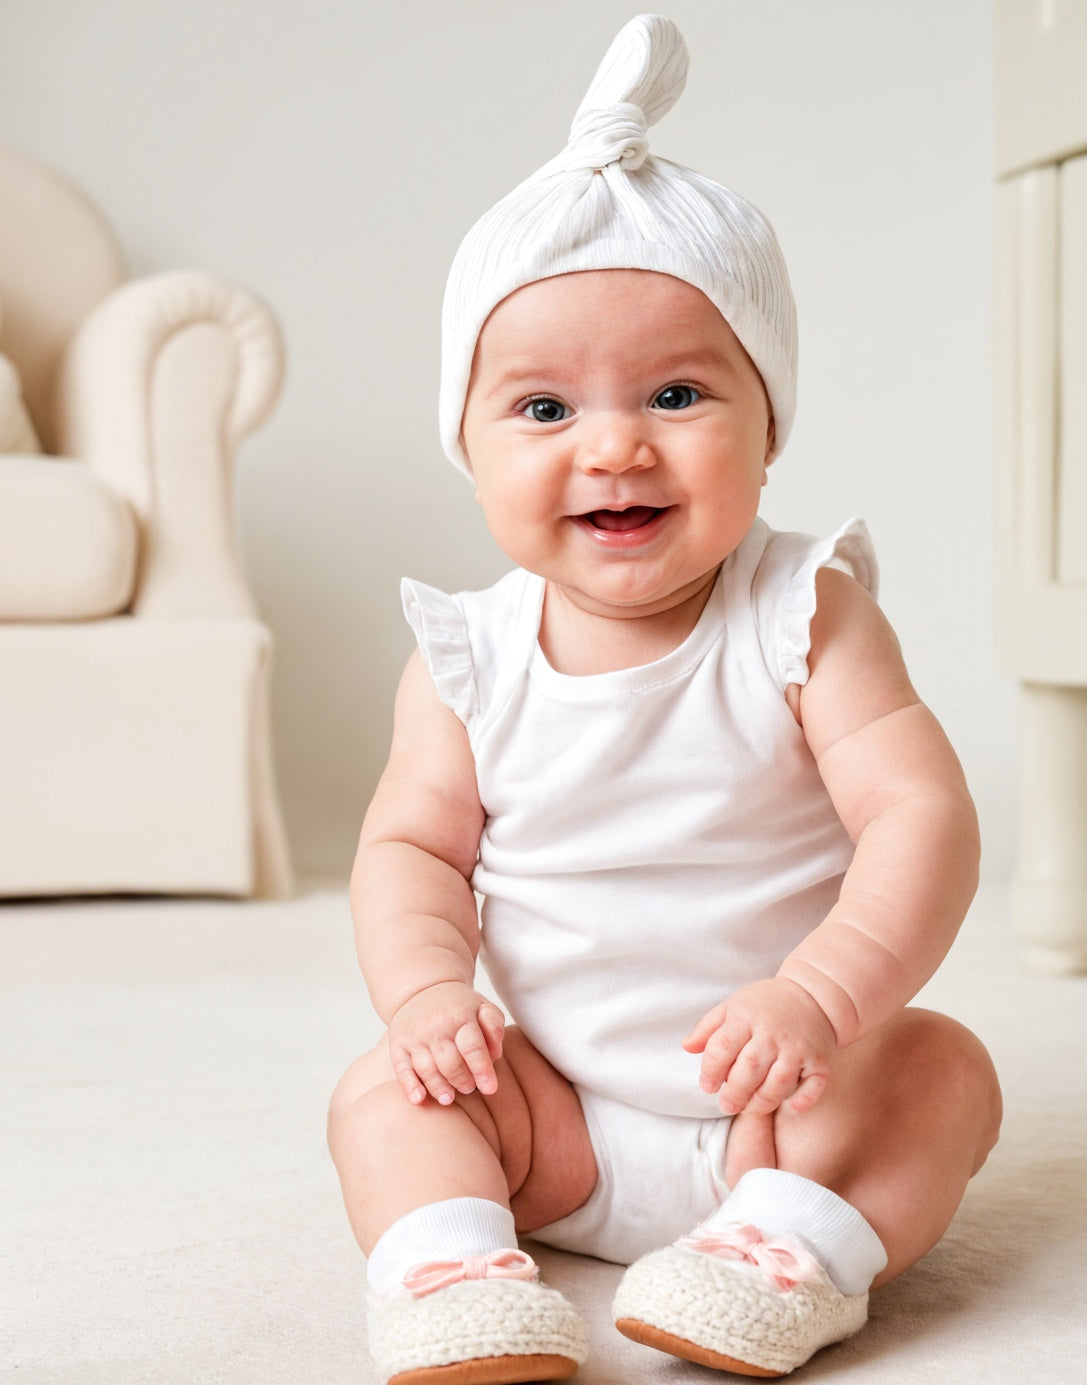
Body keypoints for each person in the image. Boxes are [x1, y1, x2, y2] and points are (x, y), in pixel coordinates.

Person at [327, 14, 1002, 1382]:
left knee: (943, 1072)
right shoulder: (472, 653)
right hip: (555, 1119)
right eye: (543, 409)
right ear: (466, 442)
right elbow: (411, 849)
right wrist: (423, 997)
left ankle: (787, 1250)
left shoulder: (805, 614)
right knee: (380, 1093)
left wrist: (820, 995)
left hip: (790, 1100)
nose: (616, 444)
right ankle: (455, 1268)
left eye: (678, 392)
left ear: (770, 420)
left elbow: (919, 814)